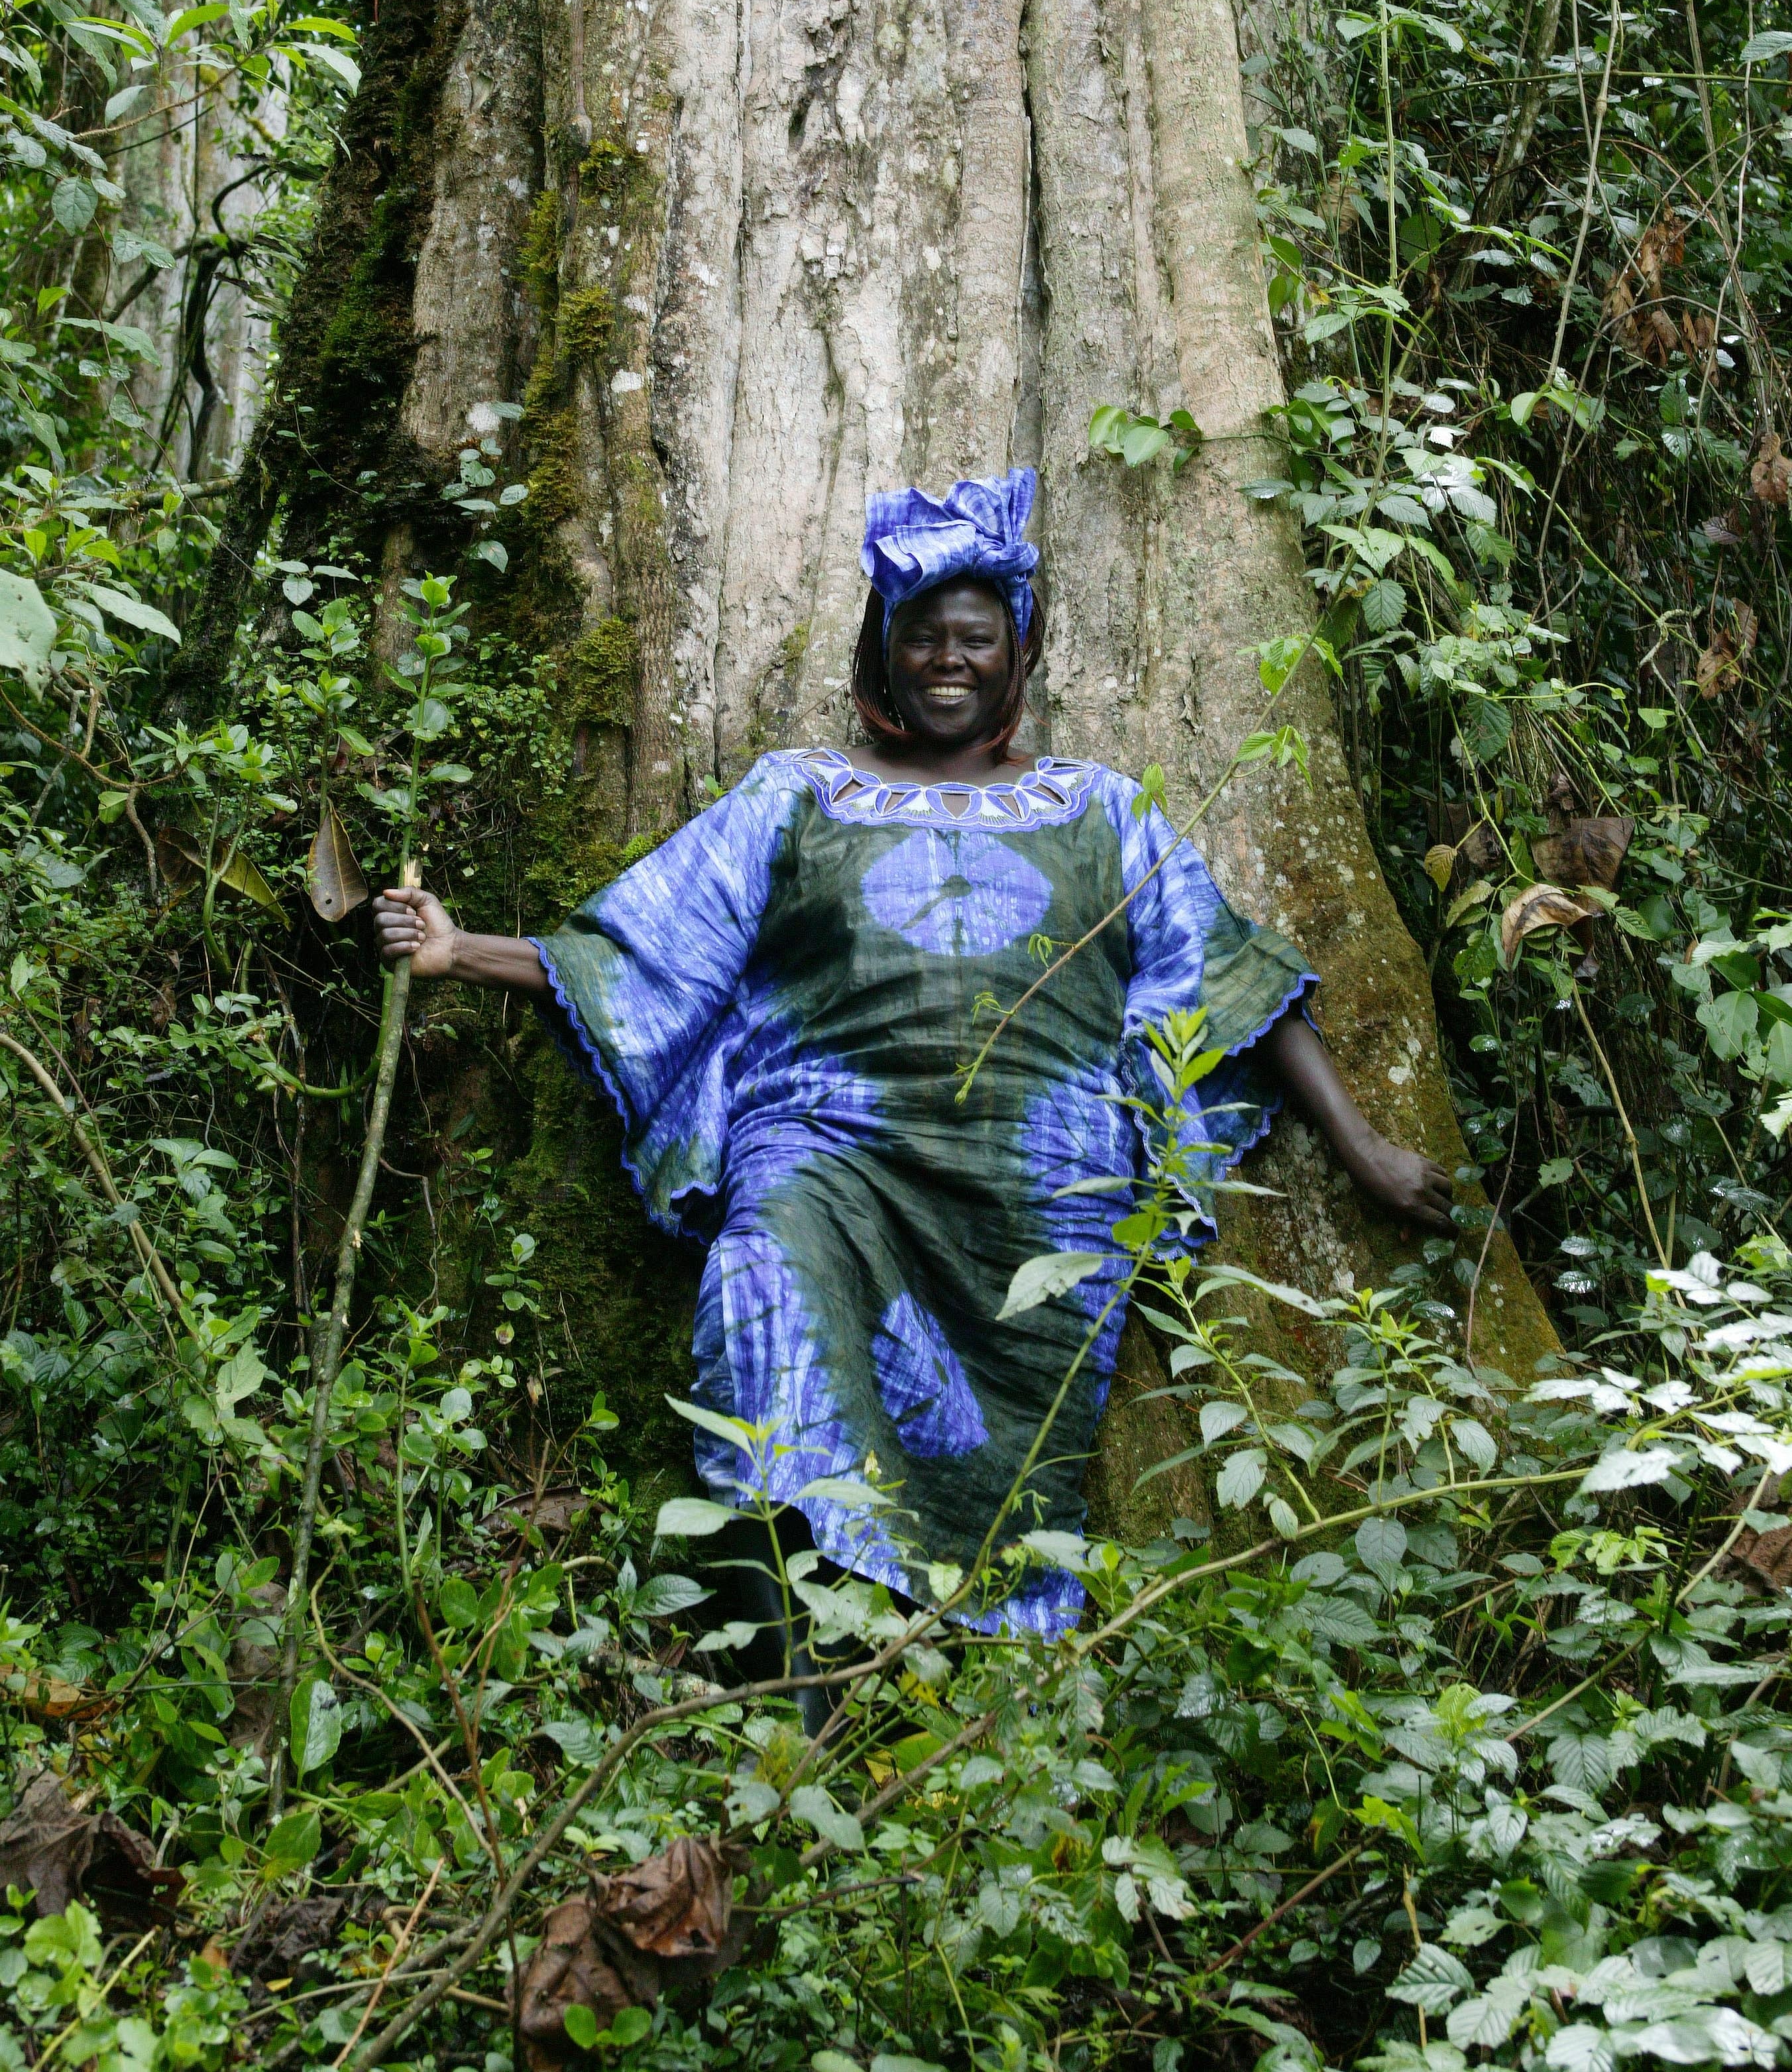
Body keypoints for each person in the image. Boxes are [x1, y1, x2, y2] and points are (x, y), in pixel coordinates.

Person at [374, 468, 1451, 1697]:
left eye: (975, 638)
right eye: (923, 636)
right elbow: (650, 952)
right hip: (825, 1154)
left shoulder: (1103, 809)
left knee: (1004, 1434)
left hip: (1039, 1185)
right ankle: (783, 1684)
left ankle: (967, 1679)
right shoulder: (797, 793)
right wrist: (463, 953)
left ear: (1019, 651)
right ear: (884, 654)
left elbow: (1226, 977)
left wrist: (1365, 1149)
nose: (950, 660)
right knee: (763, 1286)